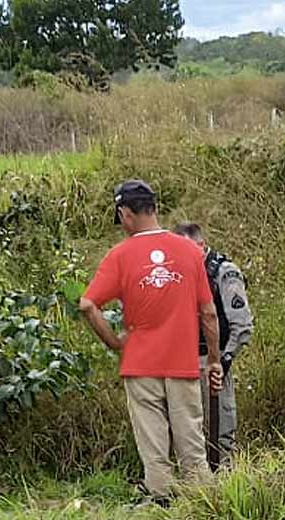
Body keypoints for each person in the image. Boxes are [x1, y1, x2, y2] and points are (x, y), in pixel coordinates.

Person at [80, 181, 224, 503]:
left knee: (154, 449)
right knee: (191, 445)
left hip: (140, 365)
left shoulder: (120, 255)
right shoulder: (190, 251)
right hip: (183, 364)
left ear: (125, 213)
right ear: (154, 208)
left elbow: (88, 305)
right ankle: (206, 513)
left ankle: (162, 509)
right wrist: (213, 359)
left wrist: (115, 343)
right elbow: (209, 313)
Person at [173, 223, 254, 469]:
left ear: (201, 244)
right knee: (188, 430)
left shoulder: (224, 272)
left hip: (213, 359)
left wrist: (222, 361)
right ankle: (195, 484)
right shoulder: (178, 272)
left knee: (220, 432)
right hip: (182, 361)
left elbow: (241, 325)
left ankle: (223, 486)